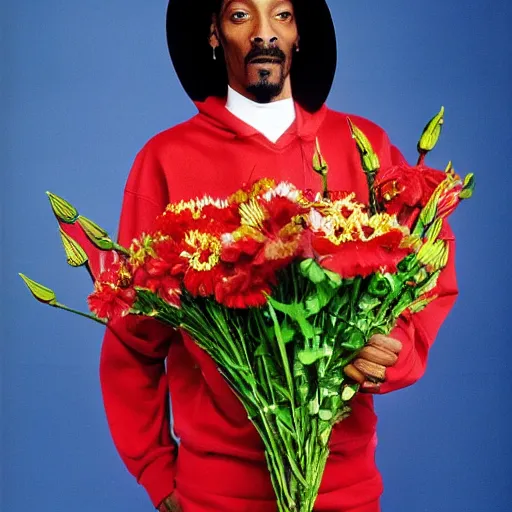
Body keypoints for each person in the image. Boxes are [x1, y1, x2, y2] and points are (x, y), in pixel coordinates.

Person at [99, 1, 458, 511]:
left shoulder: (365, 147)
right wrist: (158, 476)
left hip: (346, 491)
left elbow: (429, 270)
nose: (265, 33)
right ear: (214, 35)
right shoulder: (165, 160)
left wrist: (393, 348)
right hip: (215, 496)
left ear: (299, 34)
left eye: (282, 15)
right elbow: (131, 340)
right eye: (241, 15)